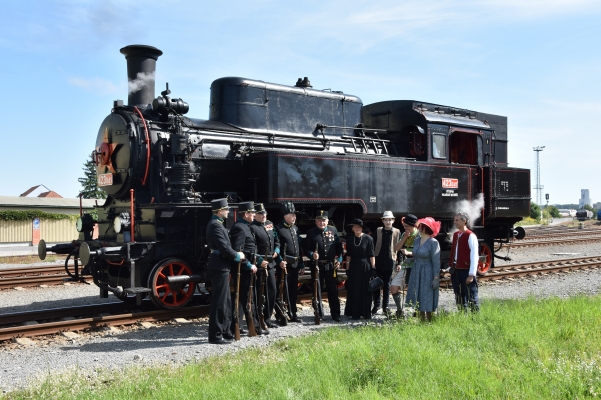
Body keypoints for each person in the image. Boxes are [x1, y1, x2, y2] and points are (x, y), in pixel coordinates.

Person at [206, 198, 246, 344]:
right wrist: (237, 256)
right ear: (220, 210)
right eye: (226, 209)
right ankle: (215, 336)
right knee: (219, 302)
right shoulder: (215, 225)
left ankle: (226, 331)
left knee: (226, 301)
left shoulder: (218, 224)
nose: (228, 212)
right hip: (219, 265)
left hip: (223, 265)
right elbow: (224, 248)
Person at [303, 210, 343, 322]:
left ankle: (336, 314)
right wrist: (312, 254)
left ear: (327, 221)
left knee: (333, 291)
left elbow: (339, 247)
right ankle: (319, 314)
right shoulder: (311, 233)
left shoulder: (333, 230)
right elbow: (306, 249)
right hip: (317, 265)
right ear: (316, 221)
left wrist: (339, 258)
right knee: (317, 290)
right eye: (319, 220)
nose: (322, 222)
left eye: (324, 220)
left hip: (330, 265)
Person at [229, 201, 263, 335]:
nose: (254, 214)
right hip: (243, 270)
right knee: (248, 298)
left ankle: (243, 325)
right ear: (247, 213)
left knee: (248, 298)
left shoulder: (246, 226)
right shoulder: (240, 228)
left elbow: (250, 249)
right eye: (253, 212)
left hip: (248, 267)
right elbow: (238, 251)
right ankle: (253, 327)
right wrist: (249, 265)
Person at [404, 217, 441, 322]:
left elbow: (436, 261)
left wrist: (436, 277)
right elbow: (417, 255)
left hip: (427, 272)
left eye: (422, 227)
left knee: (426, 294)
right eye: (419, 226)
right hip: (416, 270)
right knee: (418, 294)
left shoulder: (433, 242)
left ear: (428, 229)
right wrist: (410, 259)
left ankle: (429, 320)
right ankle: (421, 320)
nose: (419, 228)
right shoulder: (417, 240)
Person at [249, 203, 280, 329]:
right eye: (261, 214)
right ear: (255, 215)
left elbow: (277, 240)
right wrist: (259, 260)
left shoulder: (270, 224)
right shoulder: (252, 227)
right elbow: (252, 247)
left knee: (272, 291)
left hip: (271, 263)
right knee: (258, 293)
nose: (264, 216)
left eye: (265, 213)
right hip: (260, 264)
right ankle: (257, 319)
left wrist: (277, 251)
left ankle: (267, 317)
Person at [275, 201, 304, 323]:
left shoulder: (295, 228)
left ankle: (293, 313)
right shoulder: (278, 228)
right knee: (282, 290)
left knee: (293, 291)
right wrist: (280, 260)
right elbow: (275, 247)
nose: (295, 217)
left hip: (295, 265)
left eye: (295, 215)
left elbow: (299, 248)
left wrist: (301, 264)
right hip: (284, 265)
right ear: (285, 216)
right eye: (292, 215)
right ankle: (280, 314)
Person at [372, 211, 402, 316]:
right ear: (383, 221)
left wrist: (399, 262)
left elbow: (399, 248)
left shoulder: (397, 232)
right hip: (378, 259)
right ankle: (376, 305)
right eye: (386, 220)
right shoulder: (378, 230)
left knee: (386, 285)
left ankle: (386, 307)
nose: (388, 222)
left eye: (390, 220)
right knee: (376, 284)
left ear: (393, 221)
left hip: (390, 261)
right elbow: (373, 245)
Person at [344, 218, 375, 320]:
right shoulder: (349, 239)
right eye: (355, 227)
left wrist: (373, 268)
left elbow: (372, 255)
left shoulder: (368, 239)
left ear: (362, 228)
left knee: (365, 290)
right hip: (354, 266)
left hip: (365, 266)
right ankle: (354, 313)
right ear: (352, 228)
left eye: (359, 227)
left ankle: (365, 312)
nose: (357, 228)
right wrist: (347, 269)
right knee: (354, 289)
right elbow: (348, 255)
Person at [449, 211, 480, 312]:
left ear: (464, 221)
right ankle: (463, 316)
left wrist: (471, 274)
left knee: (471, 296)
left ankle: (475, 318)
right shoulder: (456, 235)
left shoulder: (470, 235)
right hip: (456, 270)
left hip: (466, 271)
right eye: (454, 220)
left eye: (457, 220)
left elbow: (474, 256)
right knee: (459, 296)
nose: (455, 222)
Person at [390, 214, 419, 317]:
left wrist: (409, 253)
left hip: (415, 266)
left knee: (414, 289)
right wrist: (405, 237)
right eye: (404, 225)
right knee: (393, 287)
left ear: (413, 225)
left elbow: (421, 252)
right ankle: (399, 310)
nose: (405, 227)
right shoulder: (404, 234)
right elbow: (397, 249)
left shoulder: (419, 235)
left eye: (407, 226)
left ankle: (416, 311)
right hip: (404, 265)